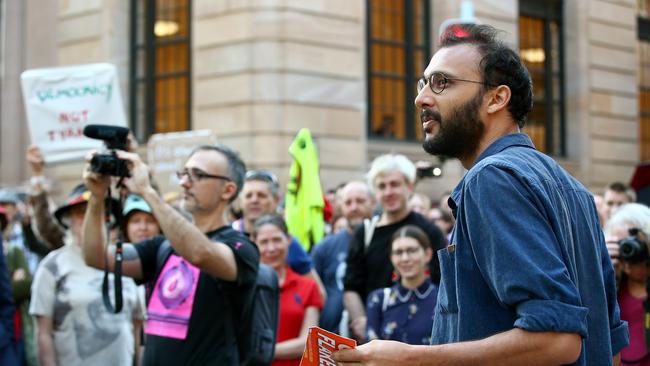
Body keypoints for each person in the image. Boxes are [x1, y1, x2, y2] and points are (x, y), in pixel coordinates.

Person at [334, 24, 627, 365]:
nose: (421, 98)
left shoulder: (492, 178)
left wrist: (410, 358)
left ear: (496, 98)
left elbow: (557, 339)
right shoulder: (572, 188)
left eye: (442, 82)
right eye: (423, 83)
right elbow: (611, 339)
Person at [81, 144, 260, 366]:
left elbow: (200, 253)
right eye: (184, 174)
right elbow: (94, 256)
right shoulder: (163, 247)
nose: (184, 183)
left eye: (198, 175)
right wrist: (97, 197)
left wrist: (148, 192)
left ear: (228, 190)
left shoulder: (241, 249)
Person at [29, 183, 144, 366]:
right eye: (82, 212)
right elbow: (43, 333)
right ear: (68, 220)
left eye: (97, 211)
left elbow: (138, 327)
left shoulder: (126, 261)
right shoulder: (53, 266)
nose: (89, 218)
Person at [343, 154, 445, 342]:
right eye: (382, 186)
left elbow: (444, 283)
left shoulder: (430, 232)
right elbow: (351, 285)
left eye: (395, 184)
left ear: (410, 186)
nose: (389, 192)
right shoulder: (365, 232)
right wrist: (362, 320)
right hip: (374, 337)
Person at [233, 170, 325, 298]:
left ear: (276, 200)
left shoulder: (288, 243)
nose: (254, 200)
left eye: (261, 195)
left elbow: (319, 294)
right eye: (248, 196)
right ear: (240, 201)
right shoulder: (229, 236)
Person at [252, 214, 322, 366]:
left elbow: (308, 341)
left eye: (277, 240)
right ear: (254, 244)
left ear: (289, 240)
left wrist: (262, 352)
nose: (271, 248)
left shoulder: (308, 286)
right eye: (264, 242)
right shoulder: (244, 287)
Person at [312, 181, 374, 333]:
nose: (354, 207)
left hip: (378, 336)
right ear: (341, 207)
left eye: (360, 201)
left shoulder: (386, 241)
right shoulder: (324, 247)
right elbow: (313, 293)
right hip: (332, 336)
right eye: (348, 202)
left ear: (373, 202)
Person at [365, 225, 437, 345]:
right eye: (398, 252)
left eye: (412, 250)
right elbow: (371, 348)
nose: (405, 258)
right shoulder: (379, 299)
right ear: (392, 258)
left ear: (427, 254)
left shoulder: (443, 299)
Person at [605, 203, 650, 366]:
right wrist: (603, 271)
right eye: (621, 245)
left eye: (632, 242)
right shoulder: (610, 289)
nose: (627, 251)